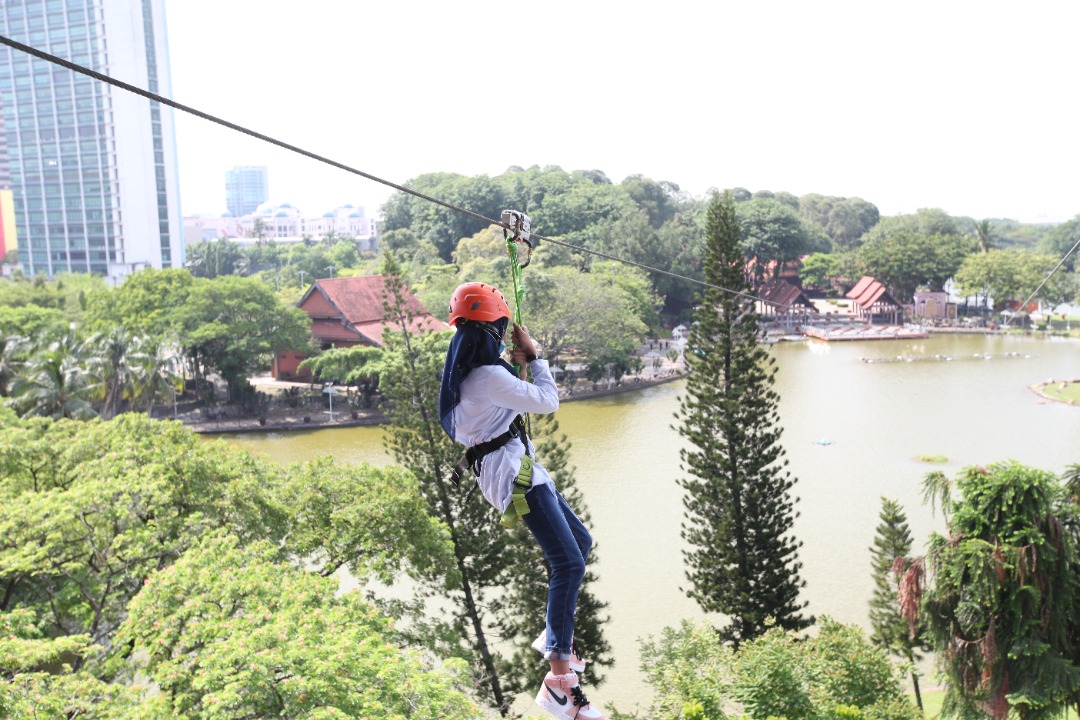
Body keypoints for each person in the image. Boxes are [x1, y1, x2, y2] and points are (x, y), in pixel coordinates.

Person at [438, 281, 604, 720]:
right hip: (516, 477)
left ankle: (555, 636)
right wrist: (534, 357)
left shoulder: (469, 376)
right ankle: (559, 680)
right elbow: (548, 402)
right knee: (568, 563)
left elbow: (507, 406)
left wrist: (519, 368)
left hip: (515, 471)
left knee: (580, 543)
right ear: (493, 331)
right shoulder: (490, 377)